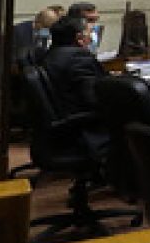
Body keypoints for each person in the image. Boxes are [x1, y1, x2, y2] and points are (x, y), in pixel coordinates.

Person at [42, 16, 110, 157]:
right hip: (84, 130)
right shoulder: (79, 58)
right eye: (90, 33)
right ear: (79, 38)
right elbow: (94, 100)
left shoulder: (51, 55)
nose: (91, 38)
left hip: (61, 125)